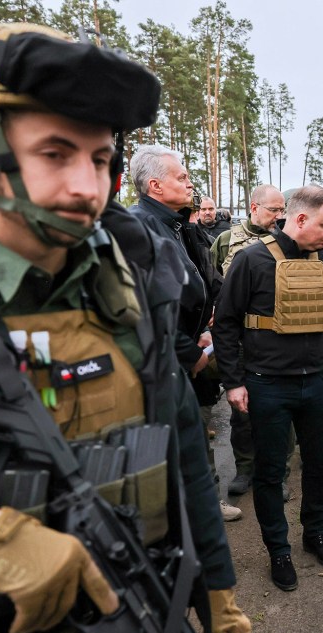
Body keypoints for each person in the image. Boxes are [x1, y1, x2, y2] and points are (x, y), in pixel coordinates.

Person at [0, 22, 250, 633]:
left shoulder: (133, 280)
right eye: (56, 153)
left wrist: (216, 593)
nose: (89, 187)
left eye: (102, 159)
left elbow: (183, 448)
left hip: (142, 622)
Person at [214, 185, 323, 592]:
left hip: (315, 381)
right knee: (270, 471)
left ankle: (315, 535)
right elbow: (225, 324)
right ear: (299, 220)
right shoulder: (251, 259)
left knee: (319, 464)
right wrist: (233, 382)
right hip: (266, 385)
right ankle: (278, 550)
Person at [129, 144, 241, 521]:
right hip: (161, 361)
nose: (191, 184)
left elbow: (202, 283)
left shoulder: (179, 226)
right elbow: (139, 307)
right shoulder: (138, 228)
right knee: (166, 437)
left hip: (189, 350)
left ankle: (202, 502)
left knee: (194, 428)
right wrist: (188, 350)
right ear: (155, 185)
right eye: (182, 177)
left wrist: (207, 325)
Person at [210, 185, 288, 499]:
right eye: (273, 210)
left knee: (281, 412)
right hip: (240, 338)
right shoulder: (226, 241)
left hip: (278, 339)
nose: (279, 216)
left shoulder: (288, 240)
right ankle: (244, 468)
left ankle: (277, 473)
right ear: (254, 207)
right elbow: (212, 280)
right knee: (241, 409)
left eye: (282, 210)